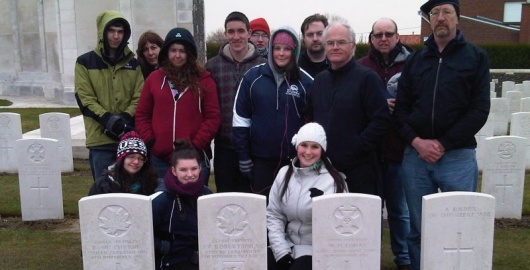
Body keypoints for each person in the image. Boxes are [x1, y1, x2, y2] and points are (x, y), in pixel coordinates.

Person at [394, 1, 491, 269]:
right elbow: (401, 110)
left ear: (458, 19)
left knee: (458, 227)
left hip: (457, 156)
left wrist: (443, 143)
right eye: (435, 13)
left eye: (447, 12)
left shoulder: (475, 57)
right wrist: (416, 142)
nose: (440, 18)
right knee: (418, 228)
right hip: (416, 157)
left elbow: (479, 110)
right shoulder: (415, 61)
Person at [309, 21, 390, 195]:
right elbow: (312, 117)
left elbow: (381, 120)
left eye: (341, 42)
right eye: (330, 43)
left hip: (360, 170)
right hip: (324, 169)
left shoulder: (367, 79)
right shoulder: (320, 81)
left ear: (352, 46)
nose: (335, 47)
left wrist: (357, 147)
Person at [357, 18, 413, 270]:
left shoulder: (413, 64)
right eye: (377, 34)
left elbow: (419, 101)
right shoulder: (361, 66)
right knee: (369, 209)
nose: (383, 38)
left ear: (397, 36)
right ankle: (369, 256)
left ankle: (403, 257)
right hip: (369, 151)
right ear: (371, 38)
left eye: (388, 33)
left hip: (399, 148)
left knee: (399, 209)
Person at [233, 27, 313, 197]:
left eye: (287, 49)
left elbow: (313, 124)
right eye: (277, 48)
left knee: (293, 212)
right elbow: (241, 120)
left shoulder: (306, 82)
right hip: (260, 161)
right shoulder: (252, 78)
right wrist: (244, 157)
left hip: (295, 161)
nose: (281, 53)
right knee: (262, 212)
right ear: (270, 49)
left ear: (295, 51)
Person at [135, 27, 220, 184]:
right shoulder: (154, 79)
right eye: (173, 50)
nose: (178, 55)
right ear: (167, 52)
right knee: (161, 204)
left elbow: (212, 117)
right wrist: (151, 142)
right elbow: (142, 114)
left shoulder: (204, 80)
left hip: (193, 159)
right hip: (160, 160)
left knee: (193, 206)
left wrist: (195, 145)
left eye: (182, 50)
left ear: (189, 53)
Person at [267, 122, 347, 270]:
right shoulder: (284, 174)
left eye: (315, 147)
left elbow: (341, 226)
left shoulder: (334, 181)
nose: (308, 152)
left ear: (322, 150)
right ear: (297, 146)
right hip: (287, 244)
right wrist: (280, 249)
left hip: (317, 250)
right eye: (304, 145)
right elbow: (274, 215)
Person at [75, 10, 143, 182]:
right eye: (111, 31)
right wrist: (110, 121)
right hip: (100, 140)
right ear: (103, 32)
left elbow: (139, 95)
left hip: (127, 137)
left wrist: (125, 119)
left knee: (130, 189)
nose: (116, 36)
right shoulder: (85, 62)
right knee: (104, 190)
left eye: (120, 32)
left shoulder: (133, 64)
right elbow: (85, 98)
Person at [205, 12, 266, 193]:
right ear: (225, 34)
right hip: (224, 148)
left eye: (241, 31)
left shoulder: (263, 66)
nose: (236, 36)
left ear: (249, 33)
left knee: (254, 202)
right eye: (231, 32)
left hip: (254, 147)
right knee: (226, 201)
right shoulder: (212, 66)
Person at [151, 140, 212, 270]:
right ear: (174, 171)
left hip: (203, 258)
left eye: (194, 169)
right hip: (170, 260)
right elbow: (141, 232)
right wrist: (162, 247)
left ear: (200, 168)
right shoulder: (161, 199)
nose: (190, 175)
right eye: (183, 170)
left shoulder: (207, 194)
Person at [89, 131, 158, 196]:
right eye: (131, 157)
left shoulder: (152, 182)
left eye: (141, 159)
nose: (136, 162)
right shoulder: (103, 185)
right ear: (121, 159)